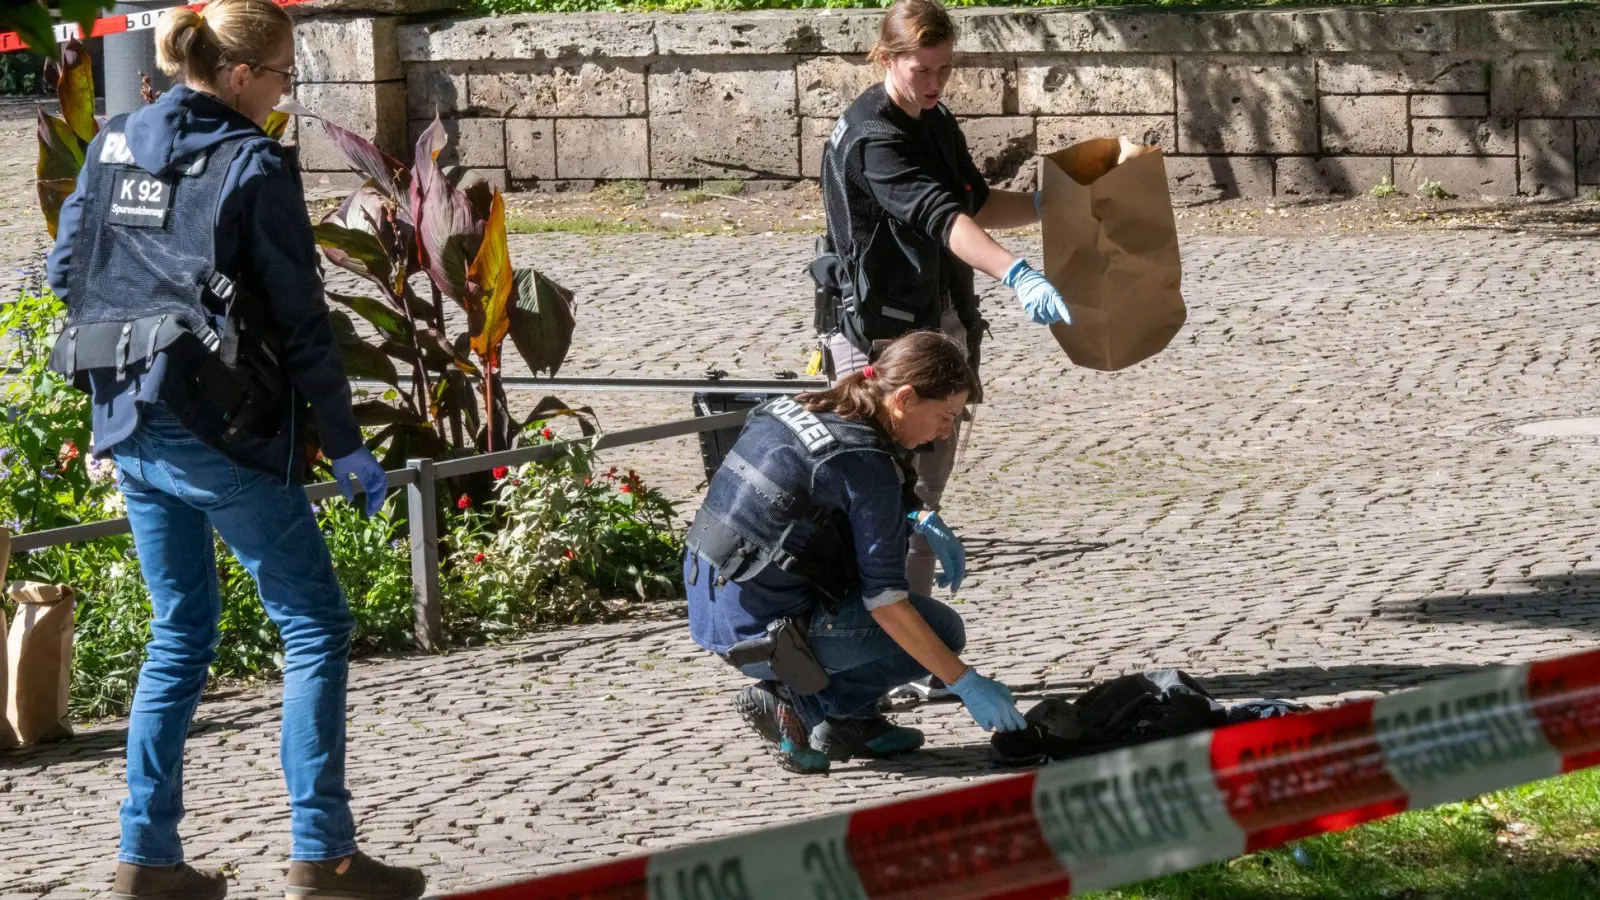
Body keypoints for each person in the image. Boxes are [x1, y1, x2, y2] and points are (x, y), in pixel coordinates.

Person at [45, 2, 424, 898]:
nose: (286, 92)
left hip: (131, 420)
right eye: (285, 76)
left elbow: (68, 273)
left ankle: (148, 861)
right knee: (315, 624)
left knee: (178, 635)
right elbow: (301, 324)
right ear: (245, 75)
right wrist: (346, 445)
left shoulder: (113, 144)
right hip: (225, 433)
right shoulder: (253, 162)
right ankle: (323, 852)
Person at [814, 0, 1069, 600]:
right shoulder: (873, 138)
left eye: (944, 68)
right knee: (876, 499)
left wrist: (1042, 206)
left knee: (924, 494)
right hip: (878, 337)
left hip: (938, 325)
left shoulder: (934, 118)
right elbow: (942, 217)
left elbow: (972, 201)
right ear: (886, 58)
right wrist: (1018, 273)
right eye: (921, 71)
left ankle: (918, 636)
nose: (934, 83)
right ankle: (863, 645)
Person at [683, 332, 1027, 774]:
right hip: (762, 627)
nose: (947, 432)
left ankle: (852, 723)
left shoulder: (799, 405)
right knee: (940, 630)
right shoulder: (867, 464)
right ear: (903, 398)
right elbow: (885, 603)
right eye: (946, 415)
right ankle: (796, 705)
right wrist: (964, 680)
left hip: (711, 594)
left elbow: (817, 488)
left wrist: (914, 514)